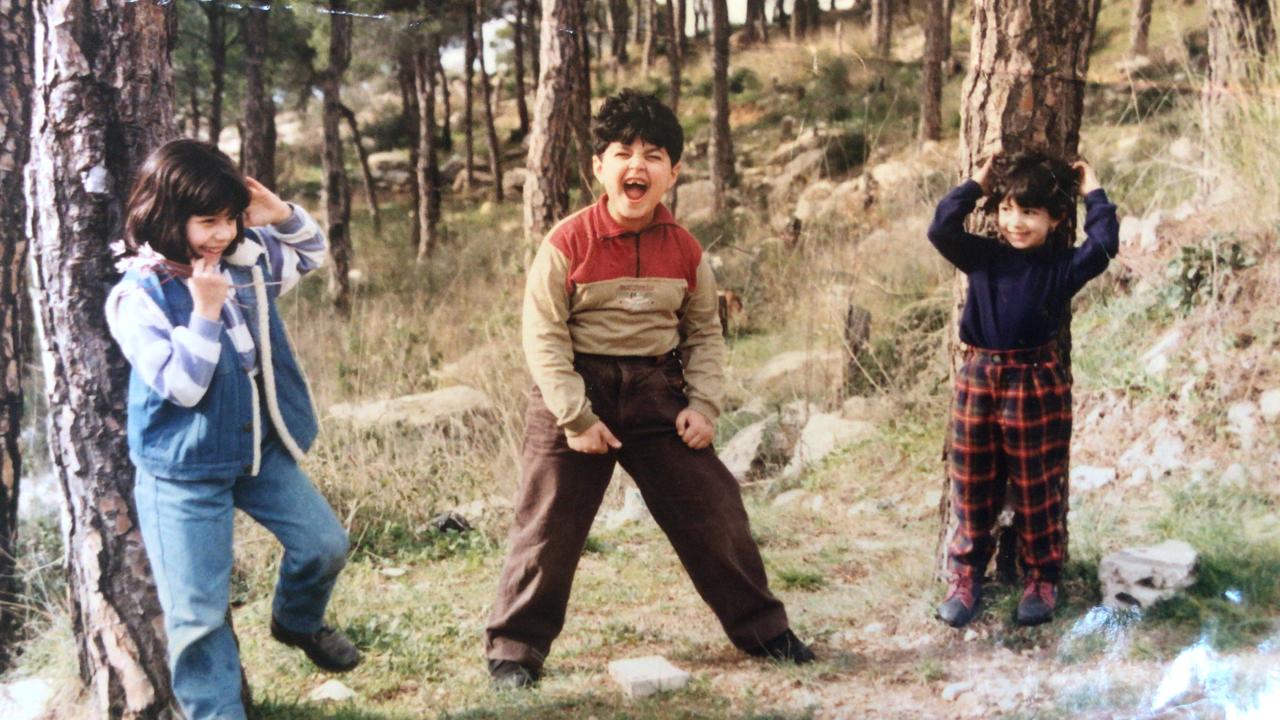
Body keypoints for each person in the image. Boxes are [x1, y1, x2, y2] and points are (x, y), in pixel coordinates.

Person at [483, 90, 815, 690]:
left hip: (657, 392)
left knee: (714, 508)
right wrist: (575, 418)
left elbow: (705, 333)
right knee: (547, 523)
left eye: (654, 155)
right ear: (599, 168)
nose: (637, 166)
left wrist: (704, 404)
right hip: (576, 394)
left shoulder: (687, 250)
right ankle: (514, 652)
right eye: (623, 153)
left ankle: (766, 632)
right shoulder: (566, 242)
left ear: (674, 171)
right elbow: (543, 336)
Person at [106, 139, 358, 719]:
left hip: (255, 450)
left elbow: (310, 252)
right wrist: (205, 311)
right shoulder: (136, 296)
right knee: (198, 621)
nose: (220, 234)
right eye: (206, 222)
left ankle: (297, 623)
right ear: (169, 218)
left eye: (229, 219)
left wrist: (280, 214)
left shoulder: (239, 263)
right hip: (183, 473)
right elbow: (184, 388)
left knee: (323, 545)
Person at [928, 150, 1119, 628]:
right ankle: (965, 576)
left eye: (1030, 212)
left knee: (1036, 485)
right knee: (972, 482)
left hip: (1035, 382)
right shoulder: (983, 256)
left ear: (1056, 219)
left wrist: (1092, 191)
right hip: (979, 377)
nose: (1016, 222)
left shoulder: (1061, 266)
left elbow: (1103, 243)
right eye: (1008, 209)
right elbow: (941, 229)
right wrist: (976, 184)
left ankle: (1041, 577)